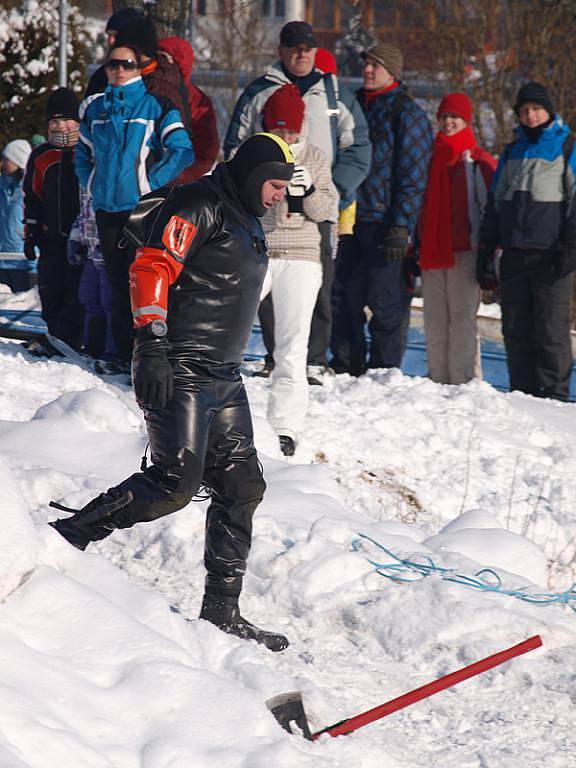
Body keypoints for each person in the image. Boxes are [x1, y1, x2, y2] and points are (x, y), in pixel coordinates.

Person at [49, 133, 294, 653]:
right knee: (172, 485)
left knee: (243, 486)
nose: (279, 196)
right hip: (177, 364)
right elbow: (152, 266)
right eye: (275, 185)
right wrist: (153, 340)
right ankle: (66, 537)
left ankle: (221, 612)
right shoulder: (199, 202)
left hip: (224, 376)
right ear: (254, 176)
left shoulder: (249, 217)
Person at [224, 21, 371, 382]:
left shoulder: (334, 93)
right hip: (267, 207)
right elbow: (234, 147)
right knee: (266, 283)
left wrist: (330, 187)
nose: (301, 54)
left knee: (317, 283)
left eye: (308, 47)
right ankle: (275, 356)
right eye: (293, 47)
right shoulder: (259, 92)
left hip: (316, 206)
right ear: (281, 50)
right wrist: (250, 190)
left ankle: (315, 357)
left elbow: (359, 147)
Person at [75, 42, 194, 364]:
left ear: (138, 67)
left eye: (126, 64)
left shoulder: (156, 105)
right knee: (115, 283)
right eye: (113, 64)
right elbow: (81, 154)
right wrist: (91, 184)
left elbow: (182, 149)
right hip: (105, 207)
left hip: (142, 208)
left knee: (143, 279)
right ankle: (121, 355)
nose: (119, 70)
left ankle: (150, 354)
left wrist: (151, 184)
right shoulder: (94, 108)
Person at [330, 42, 434, 376]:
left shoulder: (407, 112)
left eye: (376, 65)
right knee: (341, 295)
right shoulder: (354, 104)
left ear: (393, 71)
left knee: (385, 302)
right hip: (349, 216)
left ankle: (383, 371)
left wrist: (401, 225)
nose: (368, 70)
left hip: (385, 221)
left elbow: (414, 173)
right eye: (366, 64)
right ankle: (346, 364)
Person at [478, 82, 576, 401]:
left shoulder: (567, 148)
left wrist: (569, 251)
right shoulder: (512, 151)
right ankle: (521, 394)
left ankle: (554, 396)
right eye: (524, 110)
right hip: (515, 256)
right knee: (516, 330)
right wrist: (485, 252)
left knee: (550, 331)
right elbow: (494, 204)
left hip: (551, 257)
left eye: (536, 109)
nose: (530, 115)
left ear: (549, 111)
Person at [260, 84, 339, 456]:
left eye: (291, 130)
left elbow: (327, 211)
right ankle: (214, 408)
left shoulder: (316, 157)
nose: (287, 137)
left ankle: (284, 427)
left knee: (292, 344)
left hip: (302, 253)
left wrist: (308, 192)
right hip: (259, 250)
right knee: (229, 331)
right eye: (279, 130)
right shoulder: (253, 153)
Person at [418, 93, 496, 385]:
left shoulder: (477, 160)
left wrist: (489, 253)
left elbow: (491, 209)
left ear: (466, 121)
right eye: (444, 116)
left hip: (466, 251)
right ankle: (436, 379)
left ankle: (463, 381)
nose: (449, 122)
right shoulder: (429, 157)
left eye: (455, 117)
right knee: (434, 321)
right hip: (432, 251)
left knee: (462, 319)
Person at [23, 89, 83, 349]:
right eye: (55, 121)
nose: (61, 126)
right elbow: (32, 196)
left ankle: (71, 341)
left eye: (68, 120)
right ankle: (55, 338)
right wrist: (31, 233)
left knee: (77, 294)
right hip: (51, 239)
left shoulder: (86, 151)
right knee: (51, 291)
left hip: (82, 242)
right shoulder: (41, 155)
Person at [158, 37, 219, 182]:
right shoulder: (146, 90)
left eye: (163, 58)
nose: (159, 64)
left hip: (179, 181)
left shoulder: (197, 100)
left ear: (179, 62)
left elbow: (206, 148)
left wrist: (185, 175)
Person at [85, 5, 144, 97]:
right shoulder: (101, 76)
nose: (111, 41)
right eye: (109, 35)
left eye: (116, 35)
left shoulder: (155, 74)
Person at [0, 139, 31, 252]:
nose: (1, 163)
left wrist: (32, 264)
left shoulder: (30, 189)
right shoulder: (1, 186)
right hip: (2, 258)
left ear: (18, 161)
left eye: (6, 159)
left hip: (22, 258)